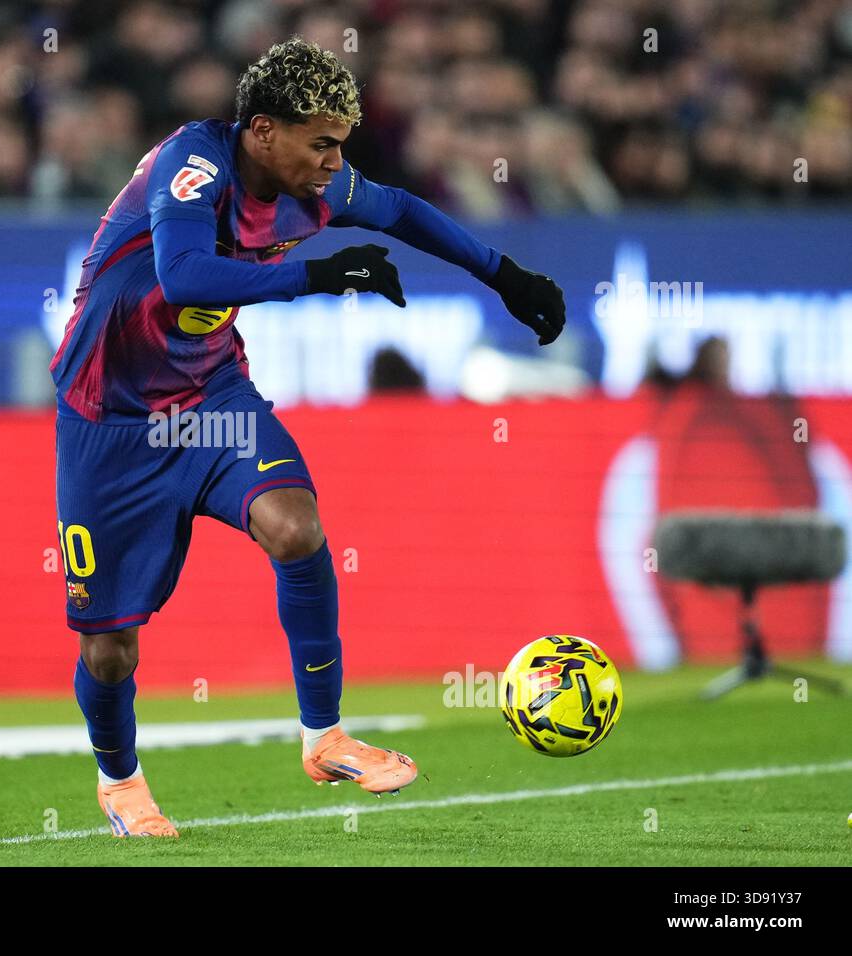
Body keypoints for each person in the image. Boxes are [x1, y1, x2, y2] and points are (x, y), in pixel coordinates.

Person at [48, 36, 566, 837]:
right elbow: (185, 275)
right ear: (262, 131)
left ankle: (323, 736)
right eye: (320, 142)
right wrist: (317, 275)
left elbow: (399, 209)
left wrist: (506, 275)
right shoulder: (195, 164)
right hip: (109, 421)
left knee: (297, 527)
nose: (333, 162)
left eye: (340, 146)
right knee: (110, 652)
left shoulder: (316, 184)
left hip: (210, 396)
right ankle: (120, 783)